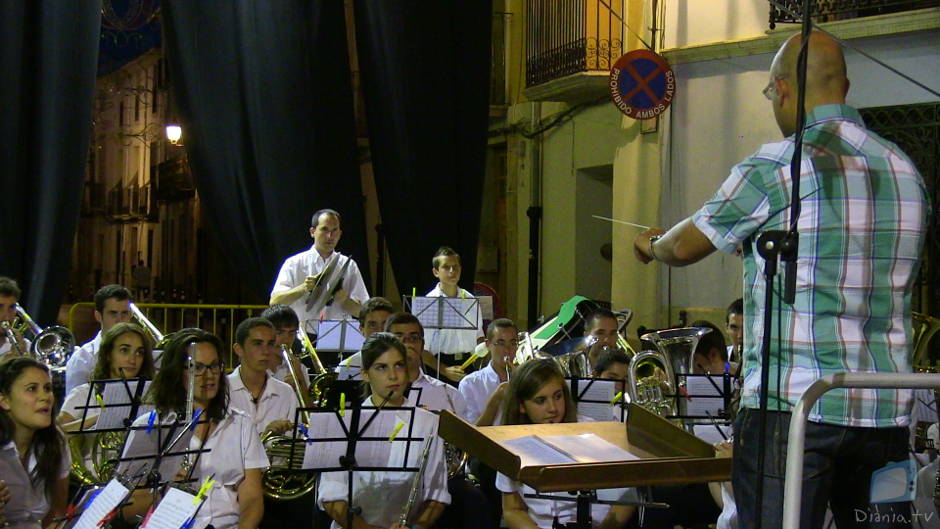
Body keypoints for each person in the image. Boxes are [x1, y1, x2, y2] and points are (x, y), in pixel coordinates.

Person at [632, 31, 929, 529]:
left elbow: (684, 246)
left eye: (771, 93)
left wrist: (651, 245)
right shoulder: (904, 169)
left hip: (792, 409)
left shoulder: (779, 165)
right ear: (845, 87)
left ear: (783, 89)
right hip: (884, 411)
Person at [121, 329, 268, 529]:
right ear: (177, 373)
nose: (209, 375)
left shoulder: (241, 424)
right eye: (197, 367)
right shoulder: (148, 428)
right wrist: (162, 490)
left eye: (214, 365)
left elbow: (252, 499)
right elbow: (129, 512)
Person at [318, 332, 450, 529]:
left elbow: (437, 495)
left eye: (399, 365)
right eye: (381, 367)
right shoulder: (343, 423)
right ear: (365, 374)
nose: (393, 376)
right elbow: (331, 496)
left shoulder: (428, 422)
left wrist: (414, 527)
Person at [497, 359, 634, 529]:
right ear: (521, 406)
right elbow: (512, 510)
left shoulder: (593, 433)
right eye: (541, 401)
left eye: (558, 396)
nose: (553, 408)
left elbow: (628, 496)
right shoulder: (511, 443)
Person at [269, 209, 369, 339]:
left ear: (340, 234)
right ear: (313, 232)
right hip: (302, 336)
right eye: (324, 229)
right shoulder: (294, 263)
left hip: (338, 336)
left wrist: (345, 300)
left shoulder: (349, 265)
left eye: (334, 230)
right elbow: (275, 302)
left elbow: (363, 312)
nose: (330, 236)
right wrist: (303, 288)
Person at [0, 357, 70, 529]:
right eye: (32, 389)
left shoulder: (56, 440)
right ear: (4, 400)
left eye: (47, 388)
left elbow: (58, 514)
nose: (45, 397)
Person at [227, 317, 299, 437]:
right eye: (257, 344)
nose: (266, 351)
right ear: (239, 349)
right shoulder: (222, 390)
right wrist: (264, 437)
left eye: (270, 344)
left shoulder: (286, 392)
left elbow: (295, 440)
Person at [422, 246, 484, 383]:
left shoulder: (471, 300)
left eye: (455, 267)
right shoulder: (429, 303)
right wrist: (444, 370)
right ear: (436, 272)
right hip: (440, 367)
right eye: (446, 267)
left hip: (469, 364)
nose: (452, 271)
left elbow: (479, 336)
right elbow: (422, 349)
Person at [65, 284, 133, 394]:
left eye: (124, 313)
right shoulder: (82, 359)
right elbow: (73, 403)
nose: (120, 320)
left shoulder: (138, 355)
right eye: (113, 314)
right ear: (98, 316)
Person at [458, 318, 518, 426]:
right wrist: (495, 401)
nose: (507, 350)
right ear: (488, 344)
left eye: (513, 343)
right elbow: (470, 432)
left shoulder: (524, 379)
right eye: (500, 343)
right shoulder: (470, 383)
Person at [335, 296, 395, 380]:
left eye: (385, 324)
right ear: (361, 329)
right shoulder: (346, 368)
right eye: (373, 325)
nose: (380, 331)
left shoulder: (405, 365)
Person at [259, 304, 311, 392]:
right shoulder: (253, 367)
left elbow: (307, 401)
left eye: (291, 333)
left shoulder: (299, 368)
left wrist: (300, 379)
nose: (286, 340)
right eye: (279, 333)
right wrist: (285, 390)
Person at [0, 278, 29, 362]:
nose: (7, 317)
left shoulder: (26, 346)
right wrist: (11, 359)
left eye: (11, 307)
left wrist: (26, 357)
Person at [725, 299, 743, 366]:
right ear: (726, 328)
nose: (740, 335)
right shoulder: (720, 359)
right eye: (734, 328)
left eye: (745, 329)